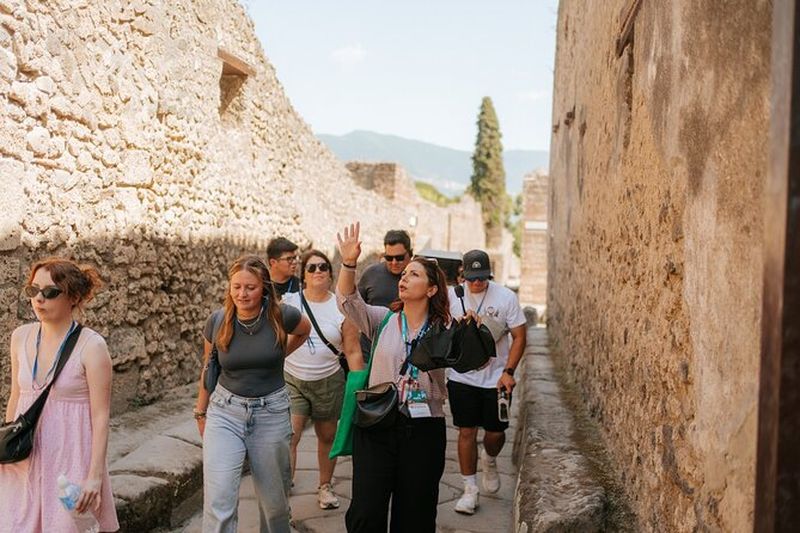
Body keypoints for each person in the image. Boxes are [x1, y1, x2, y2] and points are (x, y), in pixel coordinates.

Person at [336, 222, 450, 533]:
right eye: (402, 274)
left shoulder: (446, 330)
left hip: (424, 428)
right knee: (366, 511)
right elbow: (348, 300)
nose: (403, 277)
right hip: (377, 424)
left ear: (431, 289)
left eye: (413, 274)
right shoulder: (383, 319)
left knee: (416, 513)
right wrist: (348, 263)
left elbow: (472, 362)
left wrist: (474, 333)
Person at [0, 257, 119, 532]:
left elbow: (101, 417)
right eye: (33, 291)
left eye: (50, 292)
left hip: (70, 456)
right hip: (25, 457)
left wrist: (94, 477)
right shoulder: (20, 337)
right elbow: (16, 395)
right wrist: (8, 447)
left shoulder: (92, 346)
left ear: (73, 297)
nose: (39, 299)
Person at [194, 255, 311, 533]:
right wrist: (201, 410)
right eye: (236, 287)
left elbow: (304, 331)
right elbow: (208, 367)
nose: (242, 294)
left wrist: (279, 355)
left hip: (271, 412)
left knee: (275, 505)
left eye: (250, 287)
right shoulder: (218, 320)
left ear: (264, 288)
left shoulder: (282, 315)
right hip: (225, 412)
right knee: (218, 499)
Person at [281, 250, 364, 510]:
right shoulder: (289, 302)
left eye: (323, 267)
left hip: (328, 381)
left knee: (327, 435)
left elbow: (352, 349)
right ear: (303, 275)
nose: (318, 271)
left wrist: (359, 386)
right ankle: (284, 488)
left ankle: (325, 486)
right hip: (292, 378)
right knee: (290, 435)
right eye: (312, 268)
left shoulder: (341, 307)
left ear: (330, 272)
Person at [447, 249, 527, 515]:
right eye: (472, 278)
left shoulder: (505, 297)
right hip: (462, 377)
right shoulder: (452, 296)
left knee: (495, 433)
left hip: (496, 379)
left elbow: (519, 336)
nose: (477, 283)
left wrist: (509, 372)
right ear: (463, 275)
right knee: (466, 432)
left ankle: (490, 458)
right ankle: (470, 490)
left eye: (482, 277)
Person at [356, 229, 412, 359]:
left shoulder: (419, 278)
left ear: (410, 254)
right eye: (389, 258)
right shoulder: (371, 274)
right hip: (368, 352)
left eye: (399, 258)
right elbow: (355, 307)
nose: (394, 262)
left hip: (404, 354)